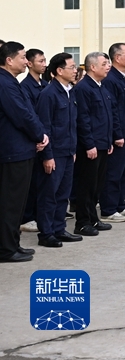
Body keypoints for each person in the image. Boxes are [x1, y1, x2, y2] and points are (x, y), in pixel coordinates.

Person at [0, 41, 49, 262]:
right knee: (10, 203)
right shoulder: (4, 83)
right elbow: (22, 115)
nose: (25, 61)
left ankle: (13, 244)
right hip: (13, 151)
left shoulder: (11, 81)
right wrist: (40, 135)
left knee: (16, 203)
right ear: (9, 60)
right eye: (22, 57)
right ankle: (6, 249)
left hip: (21, 148)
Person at [34, 52, 82, 248]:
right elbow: (45, 127)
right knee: (49, 194)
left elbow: (71, 124)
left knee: (63, 193)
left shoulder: (70, 91)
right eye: (71, 67)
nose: (75, 71)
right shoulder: (49, 94)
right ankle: (46, 233)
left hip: (68, 151)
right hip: (54, 154)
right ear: (59, 71)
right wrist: (48, 156)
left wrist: (73, 149)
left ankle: (59, 228)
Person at [72, 51, 120, 236]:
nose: (108, 67)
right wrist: (89, 144)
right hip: (90, 146)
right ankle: (82, 222)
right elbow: (83, 119)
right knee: (86, 184)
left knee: (97, 184)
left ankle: (93, 217)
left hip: (102, 143)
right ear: (92, 67)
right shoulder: (84, 88)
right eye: (104, 64)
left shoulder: (101, 87)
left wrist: (109, 140)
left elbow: (106, 116)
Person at [101, 43, 125, 222]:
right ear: (117, 58)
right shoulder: (111, 80)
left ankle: (120, 205)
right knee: (114, 173)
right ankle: (109, 209)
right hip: (120, 136)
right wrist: (117, 134)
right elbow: (112, 110)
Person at [18, 49, 46, 234]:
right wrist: (38, 136)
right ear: (29, 63)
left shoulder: (45, 84)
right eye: (41, 61)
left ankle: (38, 213)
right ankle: (28, 216)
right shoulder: (25, 86)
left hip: (45, 137)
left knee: (42, 180)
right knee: (32, 180)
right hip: (35, 138)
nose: (44, 63)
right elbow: (29, 115)